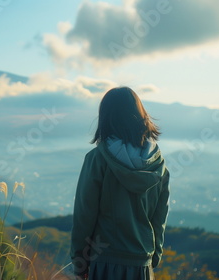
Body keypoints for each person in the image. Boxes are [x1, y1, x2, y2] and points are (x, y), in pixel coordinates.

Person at [71, 87, 170, 280]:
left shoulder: (97, 159)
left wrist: (79, 261)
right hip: (142, 263)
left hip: (104, 264)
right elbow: (159, 216)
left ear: (106, 118)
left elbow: (85, 215)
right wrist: (154, 255)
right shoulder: (158, 165)